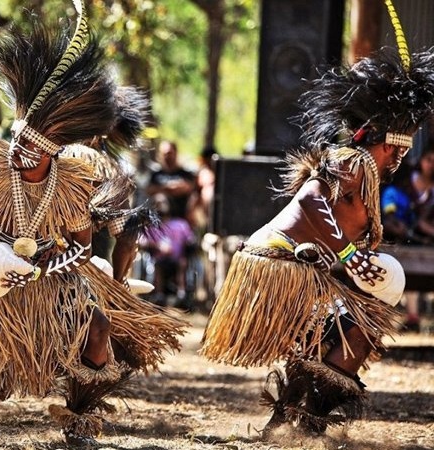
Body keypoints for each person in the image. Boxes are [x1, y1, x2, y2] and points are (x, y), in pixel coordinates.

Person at [0, 5, 186, 446]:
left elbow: (83, 245)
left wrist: (51, 265)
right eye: (18, 142)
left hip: (51, 271)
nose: (19, 154)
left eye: (30, 150)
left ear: (51, 153)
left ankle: (79, 420)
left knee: (97, 326)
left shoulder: (71, 182)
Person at [200, 41, 434, 434]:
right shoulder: (353, 161)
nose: (399, 158)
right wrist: (345, 252)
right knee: (356, 332)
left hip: (279, 264)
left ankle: (287, 421)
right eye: (397, 147)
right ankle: (312, 420)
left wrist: (348, 258)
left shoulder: (362, 172)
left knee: (326, 336)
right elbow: (310, 196)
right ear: (382, 140)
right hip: (278, 264)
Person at [139, 194, 196, 307]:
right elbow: (141, 241)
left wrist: (189, 244)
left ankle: (181, 294)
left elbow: (191, 240)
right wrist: (157, 245)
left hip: (178, 260)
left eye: (163, 202)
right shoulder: (151, 226)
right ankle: (159, 295)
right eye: (157, 203)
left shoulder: (180, 224)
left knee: (183, 263)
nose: (161, 205)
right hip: (158, 259)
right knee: (158, 264)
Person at [146, 140, 197, 224]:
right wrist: (169, 187)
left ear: (175, 153)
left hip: (181, 218)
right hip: (160, 221)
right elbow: (149, 190)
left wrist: (162, 189)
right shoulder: (156, 175)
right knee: (160, 198)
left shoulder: (185, 174)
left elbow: (187, 188)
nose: (167, 156)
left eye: (169, 153)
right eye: (164, 153)